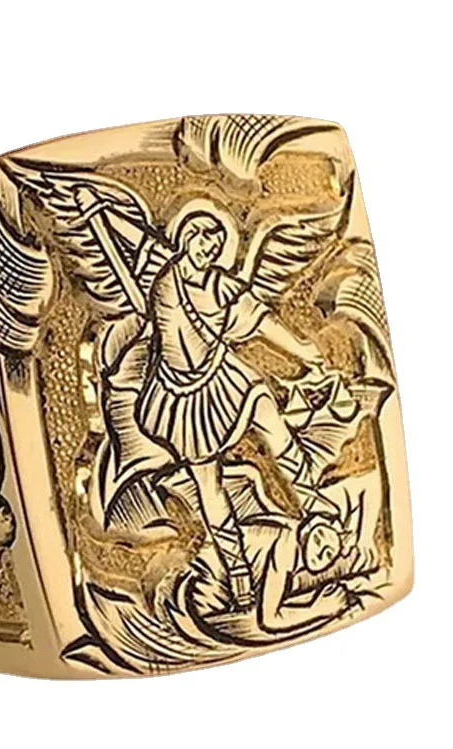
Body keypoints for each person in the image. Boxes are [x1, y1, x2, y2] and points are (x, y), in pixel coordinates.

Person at [135, 212, 335, 608]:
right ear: (184, 237)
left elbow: (260, 320)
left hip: (224, 375)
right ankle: (237, 570)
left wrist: (300, 349)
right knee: (207, 482)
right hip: (182, 397)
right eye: (201, 238)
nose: (208, 249)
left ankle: (315, 508)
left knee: (270, 418)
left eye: (215, 242)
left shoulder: (220, 285)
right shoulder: (165, 284)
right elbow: (174, 336)